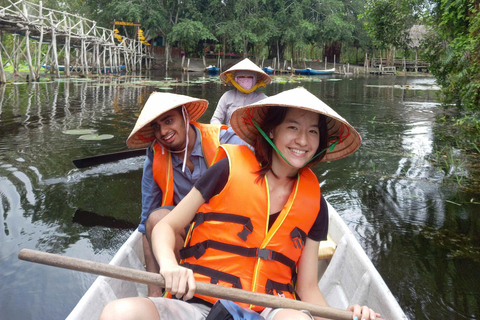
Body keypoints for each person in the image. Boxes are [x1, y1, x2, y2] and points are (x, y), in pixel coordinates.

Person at [101, 87, 379, 320]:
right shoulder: (226, 169)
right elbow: (164, 227)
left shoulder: (314, 202)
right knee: (120, 312)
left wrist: (344, 316)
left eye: (313, 132)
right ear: (271, 131)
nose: (303, 140)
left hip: (271, 309)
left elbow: (307, 288)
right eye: (292, 127)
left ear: (321, 143)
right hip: (202, 300)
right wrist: (169, 266)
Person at [126, 92, 247, 296]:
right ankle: (175, 289)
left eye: (169, 120)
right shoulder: (155, 156)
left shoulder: (225, 139)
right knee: (156, 219)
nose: (164, 131)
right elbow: (147, 223)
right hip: (187, 236)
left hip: (231, 232)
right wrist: (154, 293)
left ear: (185, 116)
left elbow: (263, 173)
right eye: (156, 127)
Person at [210, 58, 271, 126]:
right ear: (235, 79)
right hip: (229, 134)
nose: (245, 80)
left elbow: (272, 120)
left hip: (254, 135)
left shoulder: (263, 99)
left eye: (250, 77)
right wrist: (223, 131)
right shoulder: (227, 96)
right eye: (241, 77)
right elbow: (215, 119)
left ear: (255, 80)